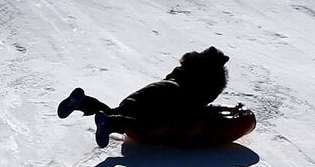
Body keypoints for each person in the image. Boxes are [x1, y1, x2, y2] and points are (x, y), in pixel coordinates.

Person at [58, 48, 231, 148]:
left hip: (147, 93)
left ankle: (82, 102)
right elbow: (193, 108)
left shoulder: (178, 74)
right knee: (148, 124)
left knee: (117, 110)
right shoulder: (195, 89)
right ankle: (111, 123)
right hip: (165, 101)